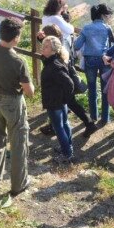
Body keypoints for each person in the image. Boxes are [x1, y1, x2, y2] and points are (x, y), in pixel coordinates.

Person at [0, 17, 34, 196]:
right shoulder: (18, 61)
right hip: (12, 102)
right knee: (18, 143)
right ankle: (19, 184)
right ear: (17, 37)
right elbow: (29, 91)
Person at [39, 25, 97, 138]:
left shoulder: (59, 49)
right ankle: (88, 123)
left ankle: (88, 124)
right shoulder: (60, 44)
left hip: (63, 82)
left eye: (45, 39)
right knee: (69, 103)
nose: (44, 44)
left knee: (65, 103)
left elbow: (50, 60)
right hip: (64, 80)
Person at [74, 4, 114, 125]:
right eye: (107, 15)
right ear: (102, 15)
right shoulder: (107, 28)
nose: (108, 17)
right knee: (105, 89)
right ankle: (105, 118)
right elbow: (112, 45)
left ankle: (93, 116)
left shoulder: (86, 28)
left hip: (90, 60)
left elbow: (77, 46)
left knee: (92, 89)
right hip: (105, 60)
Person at [41, 36, 74, 164]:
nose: (43, 48)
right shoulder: (52, 61)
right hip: (58, 101)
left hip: (55, 102)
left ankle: (67, 153)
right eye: (43, 45)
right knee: (64, 124)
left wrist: (64, 98)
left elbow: (69, 84)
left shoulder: (55, 66)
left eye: (46, 46)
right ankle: (68, 147)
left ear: (54, 50)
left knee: (58, 127)